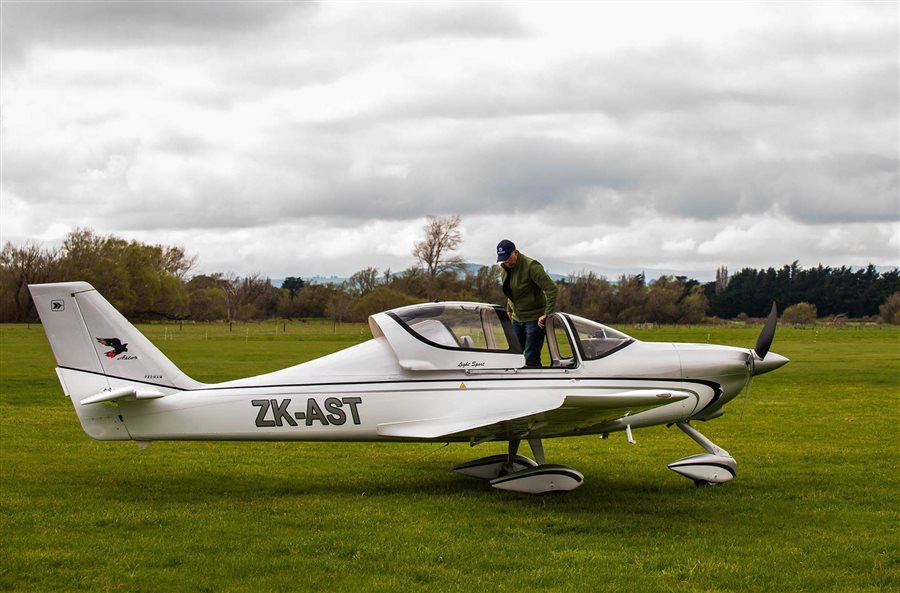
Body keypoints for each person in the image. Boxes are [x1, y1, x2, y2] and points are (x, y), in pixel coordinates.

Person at [496, 239, 558, 368]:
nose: (506, 262)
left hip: (534, 319)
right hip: (516, 318)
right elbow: (510, 291)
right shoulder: (504, 269)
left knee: (531, 358)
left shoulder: (532, 266)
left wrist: (547, 313)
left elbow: (552, 289)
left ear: (515, 252)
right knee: (513, 356)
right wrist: (509, 309)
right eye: (503, 259)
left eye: (508, 257)